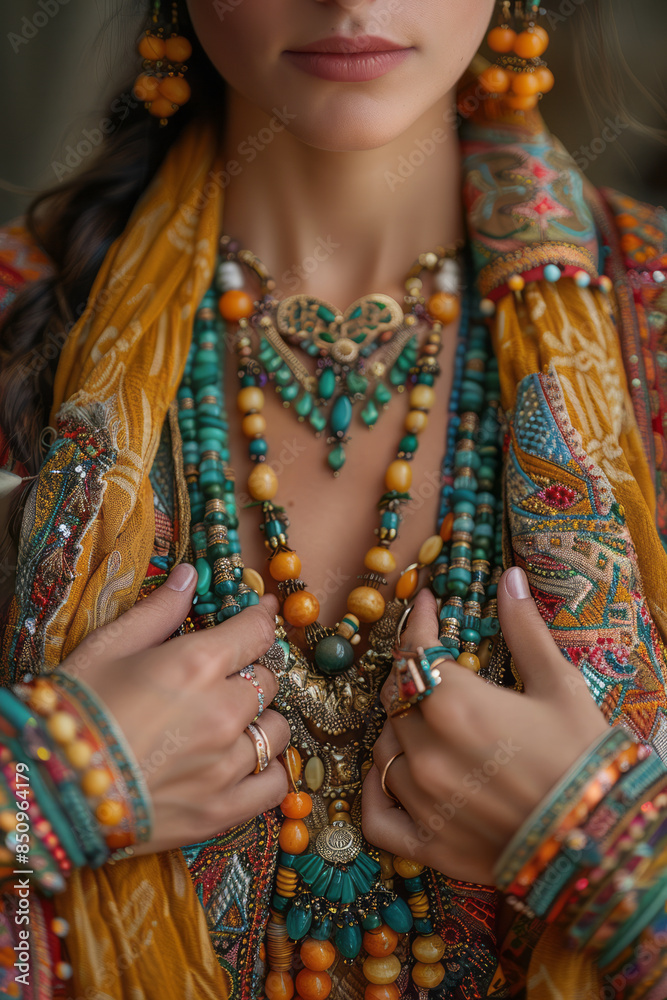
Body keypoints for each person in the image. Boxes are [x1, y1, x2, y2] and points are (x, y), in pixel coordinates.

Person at [0, 0, 666, 998]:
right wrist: (41, 790)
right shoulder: (21, 331)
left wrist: (615, 851)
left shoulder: (645, 329)